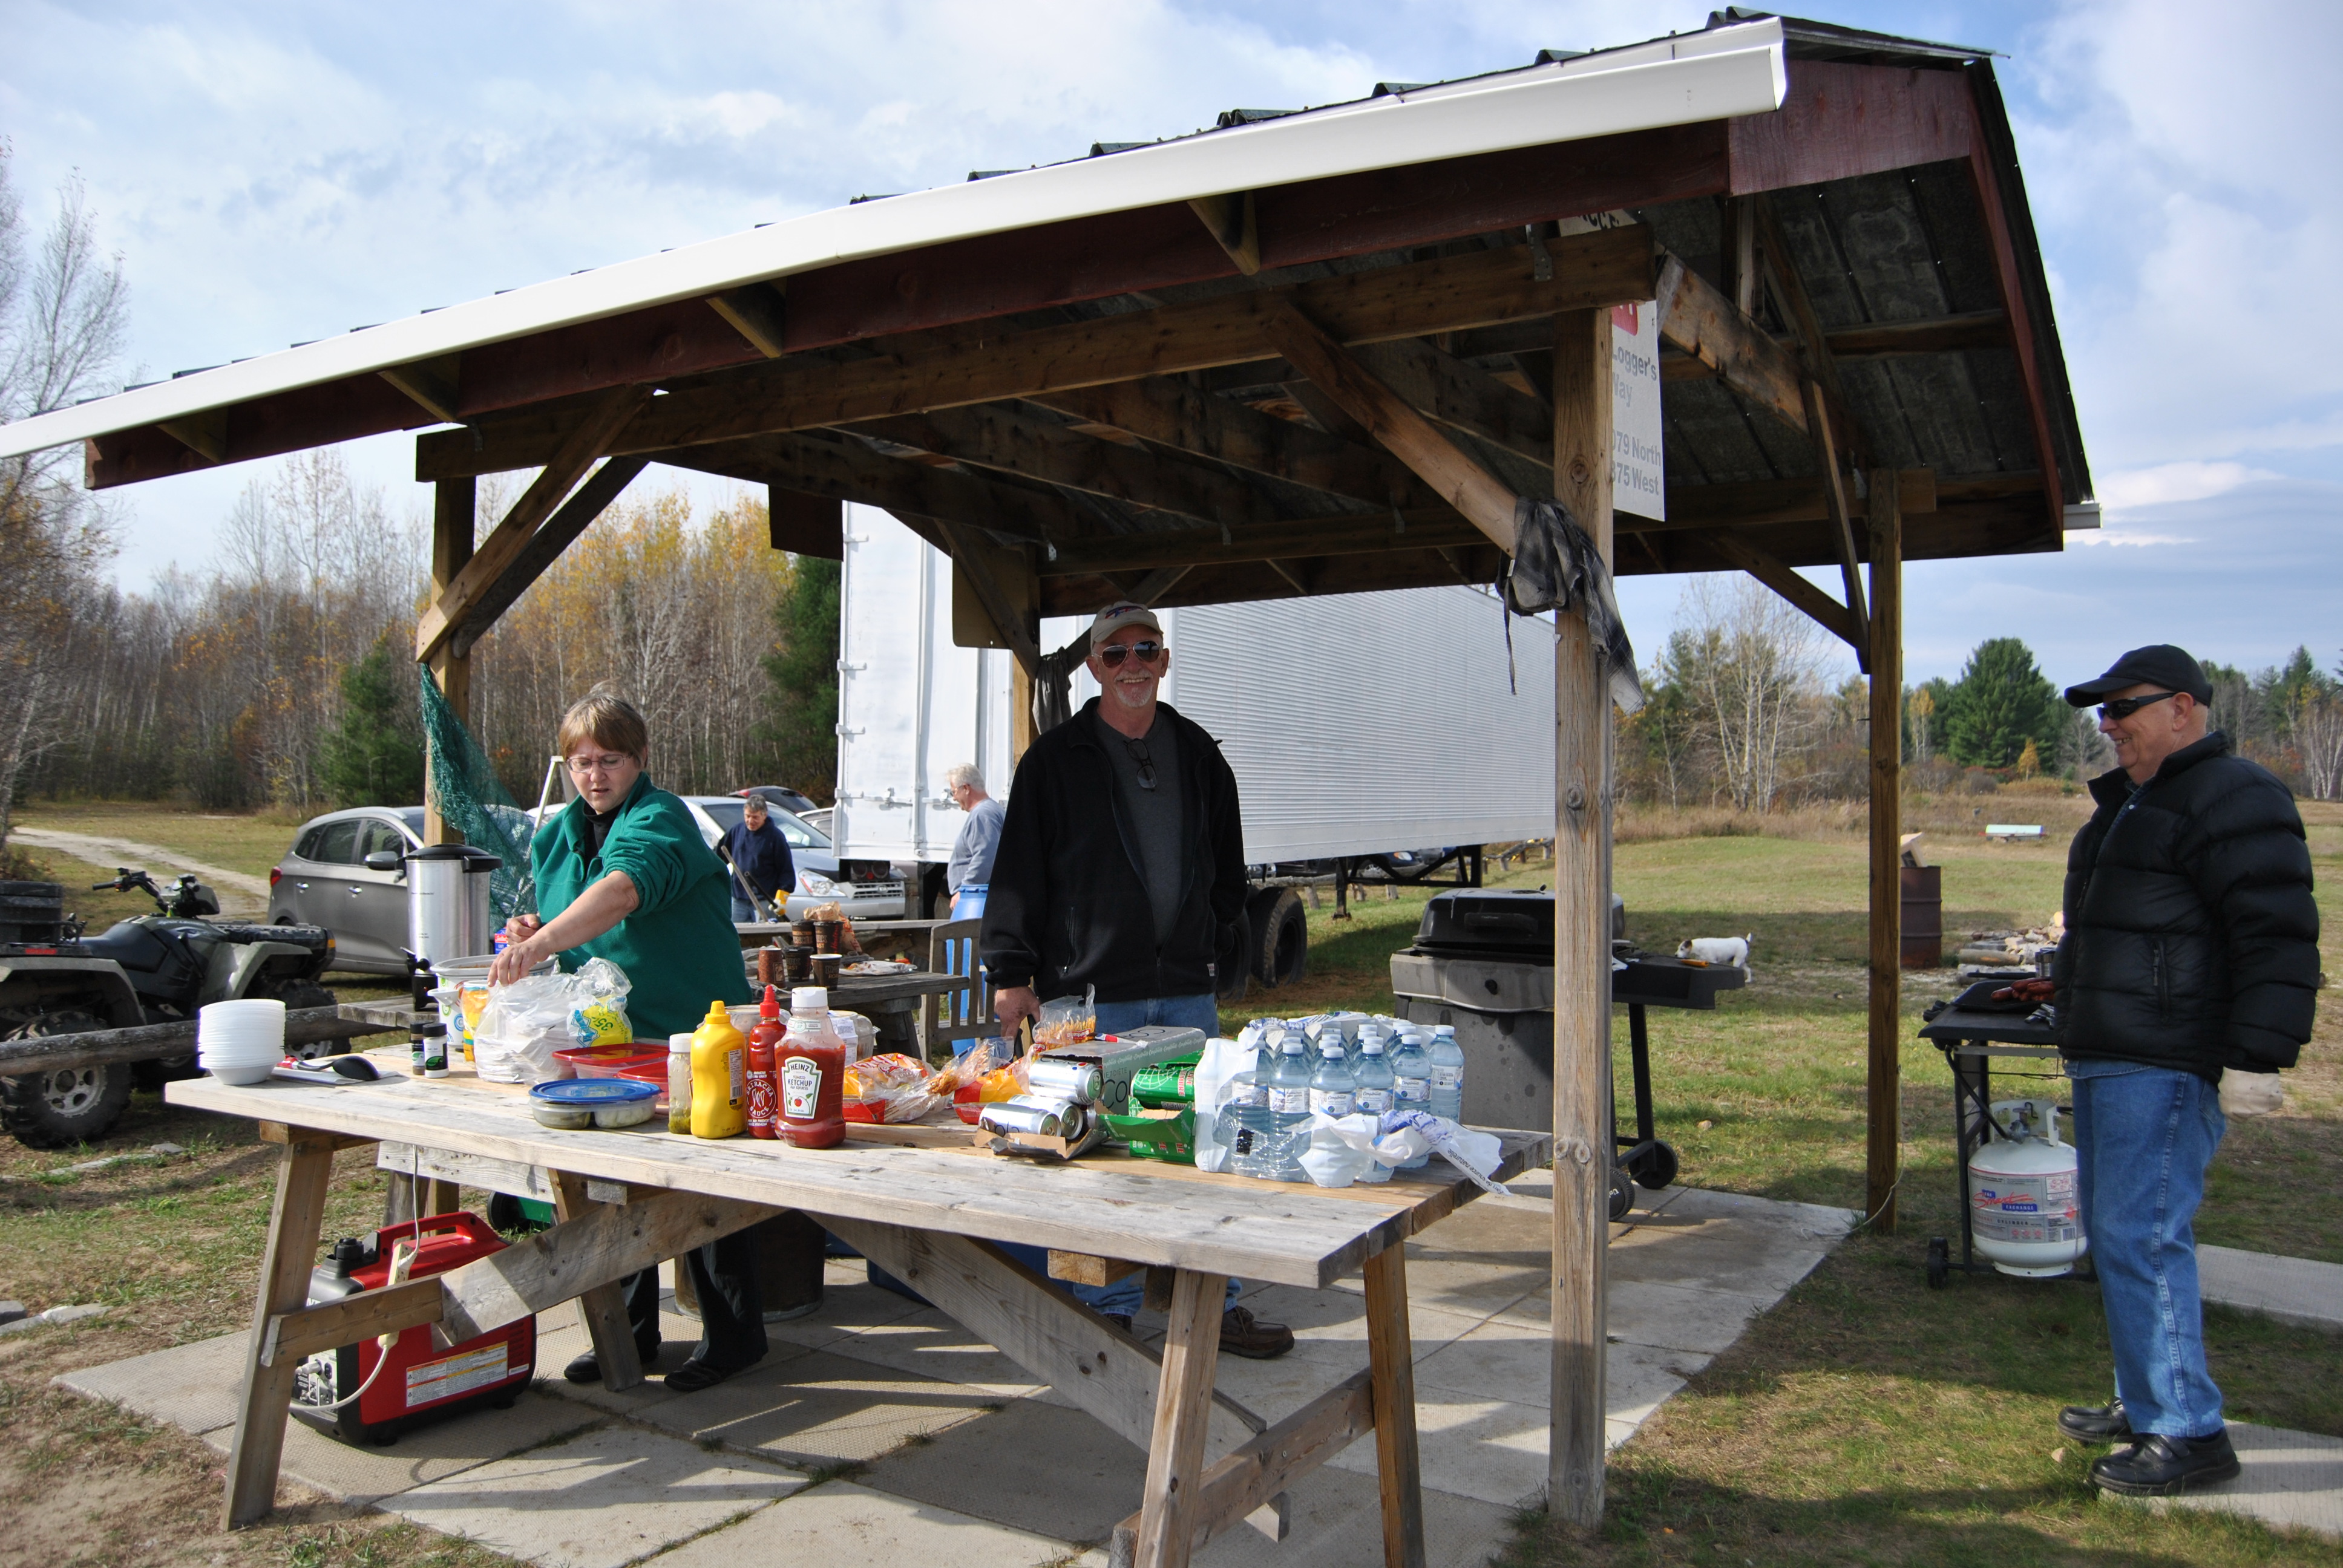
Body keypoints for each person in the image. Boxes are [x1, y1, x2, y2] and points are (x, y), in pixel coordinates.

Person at [981, 601, 1293, 1359]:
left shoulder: (1197, 754)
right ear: (1092, 665)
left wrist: (1221, 939)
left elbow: (1228, 866)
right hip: (1094, 996)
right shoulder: (1053, 762)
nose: (1131, 665)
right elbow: (1017, 874)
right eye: (1114, 652)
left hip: (1183, 989)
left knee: (1205, 1150)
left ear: (1164, 660)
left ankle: (1214, 1307)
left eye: (1145, 650)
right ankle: (1110, 1314)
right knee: (1100, 1160)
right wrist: (1010, 972)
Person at [2049, 645, 2318, 1496]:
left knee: (2144, 1238)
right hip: (2112, 1052)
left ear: (2184, 709)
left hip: (2162, 1062)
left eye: (2123, 708)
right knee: (2117, 1237)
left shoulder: (2233, 795)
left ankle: (2189, 1432)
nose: (2109, 727)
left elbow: (2275, 933)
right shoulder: (2136, 802)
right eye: (2103, 713)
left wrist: (2256, 1058)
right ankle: (2147, 1399)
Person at [490, 687, 765, 1394]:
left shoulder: (660, 818)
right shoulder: (556, 835)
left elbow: (621, 892)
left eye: (609, 759)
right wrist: (531, 933)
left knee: (704, 1184)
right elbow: (567, 913)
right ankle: (631, 1335)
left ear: (639, 760)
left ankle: (736, 1335)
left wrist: (542, 940)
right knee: (611, 1189)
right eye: (580, 761)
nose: (594, 774)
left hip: (693, 1032)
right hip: (608, 1045)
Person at [721, 792, 796, 924]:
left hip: (764, 899)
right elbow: (720, 856)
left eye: (755, 817)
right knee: (736, 935)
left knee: (763, 937)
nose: (750, 821)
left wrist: (782, 897)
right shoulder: (736, 832)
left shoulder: (775, 837)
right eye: (747, 816)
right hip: (739, 898)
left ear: (764, 815)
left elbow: (786, 869)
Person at [943, 763, 1004, 917]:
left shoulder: (983, 814)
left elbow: (985, 857)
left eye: (954, 792)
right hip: (979, 900)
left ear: (966, 788)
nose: (954, 798)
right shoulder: (991, 810)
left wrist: (966, 890)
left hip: (976, 901)